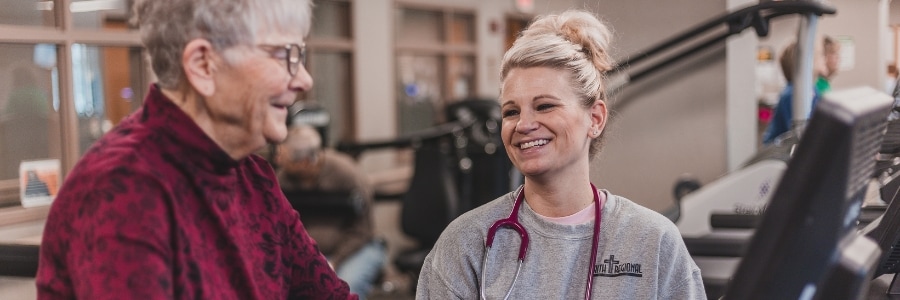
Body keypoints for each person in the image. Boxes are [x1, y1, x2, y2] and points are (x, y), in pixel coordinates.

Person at [36, 0, 358, 299]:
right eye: (285, 54)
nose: (304, 79)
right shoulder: (121, 190)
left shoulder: (251, 177)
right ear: (203, 64)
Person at [415, 10, 706, 299]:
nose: (524, 125)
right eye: (511, 111)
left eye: (544, 106)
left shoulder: (653, 242)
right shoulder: (465, 245)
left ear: (595, 118)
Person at [276, 124, 386, 299]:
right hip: (310, 254)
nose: (278, 161)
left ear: (304, 162)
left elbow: (362, 231)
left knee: (344, 286)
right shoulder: (283, 180)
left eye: (284, 157)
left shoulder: (348, 175)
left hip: (357, 249)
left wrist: (334, 261)